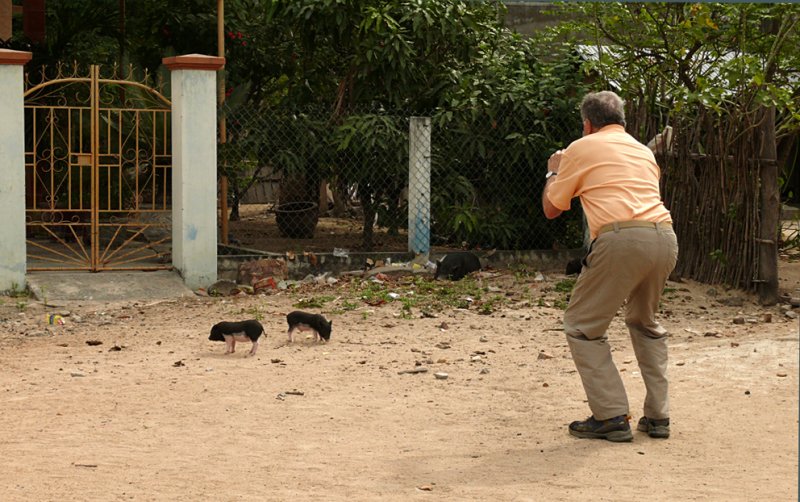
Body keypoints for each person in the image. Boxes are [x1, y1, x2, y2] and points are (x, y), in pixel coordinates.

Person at [542, 90, 679, 442]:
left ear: (587, 124)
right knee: (644, 322)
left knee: (581, 327)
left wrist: (553, 173)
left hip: (621, 240)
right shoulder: (643, 151)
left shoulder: (580, 147)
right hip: (664, 237)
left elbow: (552, 208)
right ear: (622, 121)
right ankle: (658, 416)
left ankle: (611, 415)